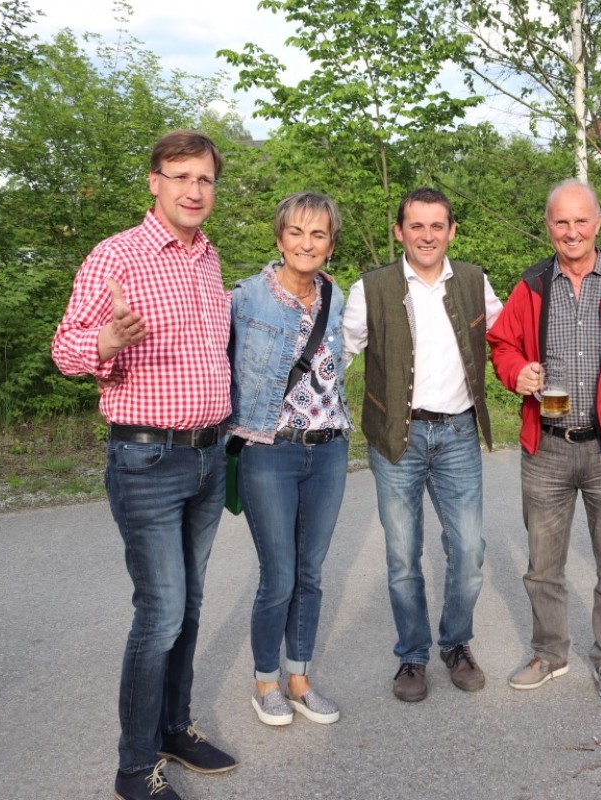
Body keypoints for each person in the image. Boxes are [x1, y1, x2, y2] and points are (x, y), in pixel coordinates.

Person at [51, 130, 236, 800]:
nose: (194, 190)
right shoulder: (118, 255)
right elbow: (65, 348)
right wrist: (104, 341)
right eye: (180, 176)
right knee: (160, 611)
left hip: (209, 456)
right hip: (147, 458)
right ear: (154, 182)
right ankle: (135, 769)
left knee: (189, 605)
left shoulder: (208, 257)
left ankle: (173, 728)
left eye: (204, 179)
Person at [487, 179, 601, 703]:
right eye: (561, 222)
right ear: (549, 226)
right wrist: (516, 371)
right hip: (546, 445)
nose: (572, 231)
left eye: (581, 221)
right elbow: (501, 345)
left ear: (598, 224)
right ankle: (549, 653)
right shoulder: (530, 287)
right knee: (543, 566)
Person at [341, 188, 503, 702]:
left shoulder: (475, 281)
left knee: (469, 549)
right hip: (397, 436)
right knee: (402, 555)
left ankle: (455, 644)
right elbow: (336, 355)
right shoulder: (370, 288)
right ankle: (412, 655)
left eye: (437, 226)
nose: (427, 236)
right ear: (400, 232)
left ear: (451, 231)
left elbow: (509, 338)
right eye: (416, 226)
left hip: (457, 433)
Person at [227, 192, 351, 727]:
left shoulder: (336, 297)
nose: (306, 243)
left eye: (318, 234)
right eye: (296, 232)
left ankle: (299, 679)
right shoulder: (245, 298)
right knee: (278, 576)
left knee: (310, 573)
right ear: (279, 239)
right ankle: (266, 682)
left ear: (330, 244)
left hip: (330, 450)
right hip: (268, 451)